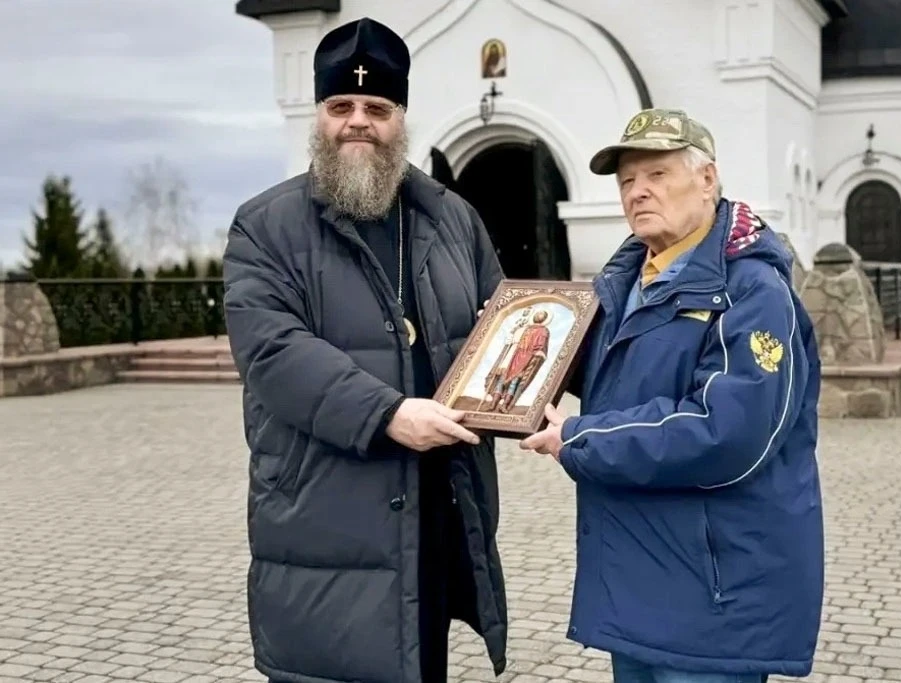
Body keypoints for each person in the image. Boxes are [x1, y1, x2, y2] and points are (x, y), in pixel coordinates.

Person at [221, 16, 508, 683]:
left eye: (376, 108)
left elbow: (505, 323)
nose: (358, 122)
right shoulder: (265, 225)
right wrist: (387, 414)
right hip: (325, 522)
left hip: (433, 515)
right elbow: (273, 351)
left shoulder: (452, 219)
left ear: (400, 118)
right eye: (340, 106)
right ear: (318, 115)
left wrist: (531, 386)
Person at [521, 108, 825, 683]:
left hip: (713, 598)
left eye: (656, 174)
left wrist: (578, 437)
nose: (637, 192)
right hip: (640, 584)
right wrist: (511, 347)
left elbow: (726, 434)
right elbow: (619, 375)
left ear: (707, 179)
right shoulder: (629, 280)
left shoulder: (751, 290)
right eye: (627, 181)